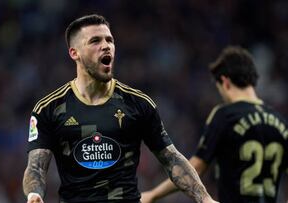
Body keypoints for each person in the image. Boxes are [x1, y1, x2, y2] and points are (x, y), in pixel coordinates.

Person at [22, 14, 218, 203]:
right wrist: (33, 194)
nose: (106, 46)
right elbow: (36, 167)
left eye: (110, 40)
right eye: (95, 41)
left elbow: (172, 159)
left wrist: (205, 199)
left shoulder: (138, 104)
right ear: (75, 53)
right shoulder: (49, 109)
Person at [141, 46, 288, 203]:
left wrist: (154, 194)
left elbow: (195, 168)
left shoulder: (225, 115)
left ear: (225, 82)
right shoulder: (280, 122)